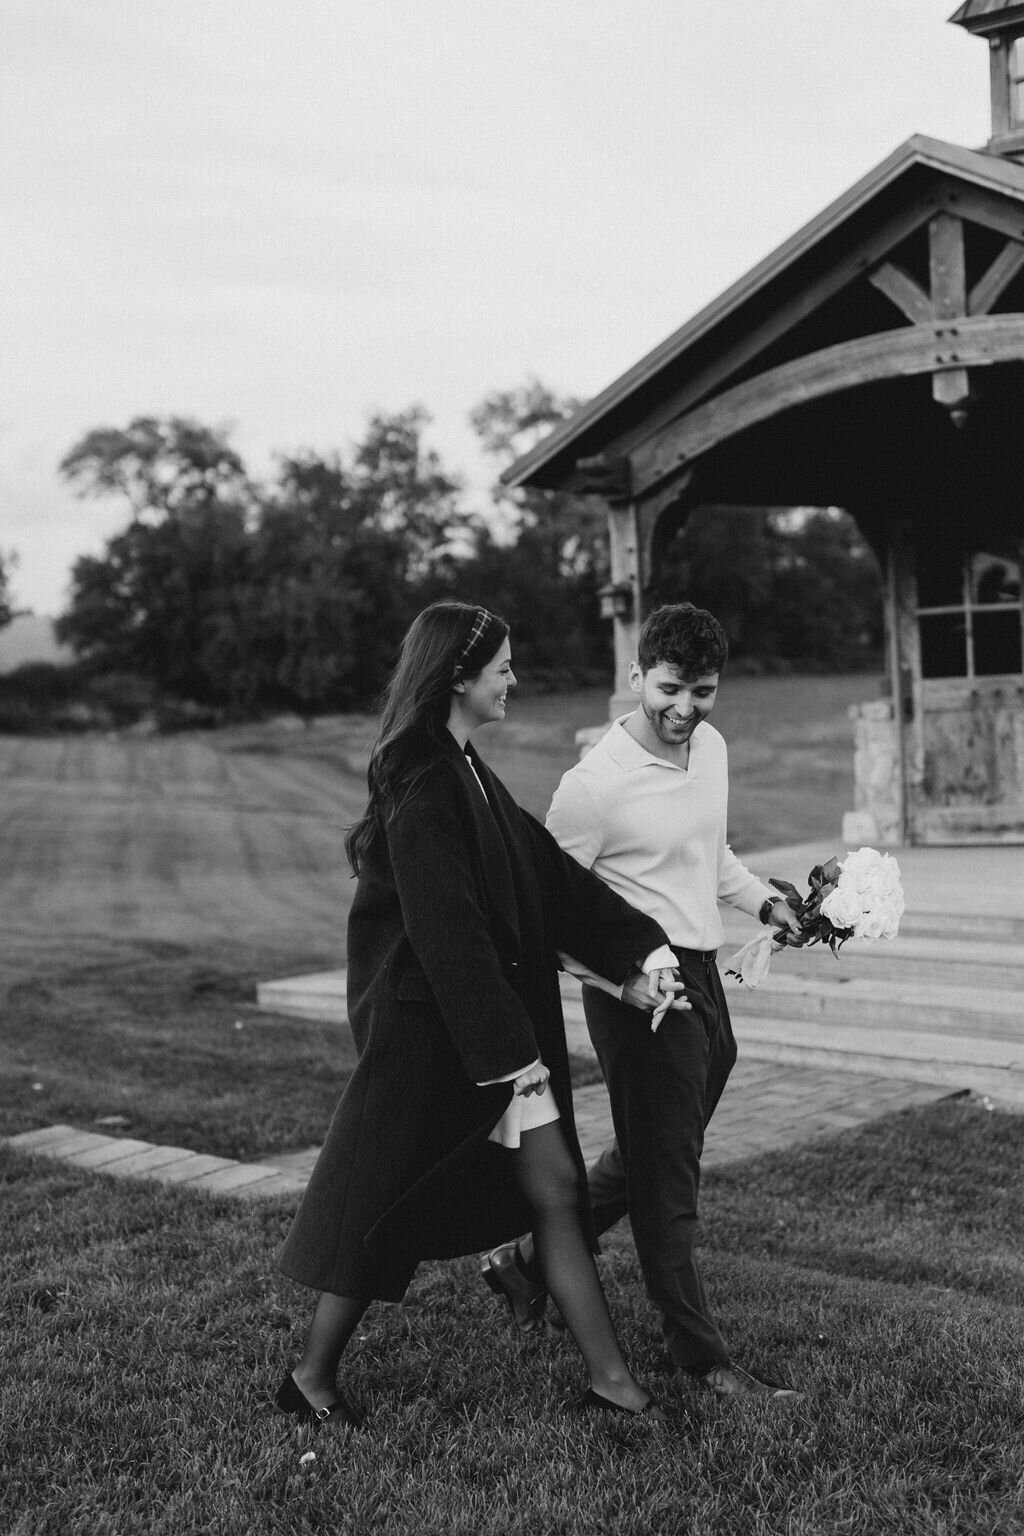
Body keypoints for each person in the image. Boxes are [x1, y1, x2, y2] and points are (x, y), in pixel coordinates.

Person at [276, 600, 684, 1428]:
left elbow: (551, 879)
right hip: (437, 1041)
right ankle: (311, 1378)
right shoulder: (422, 780)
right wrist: (511, 1055)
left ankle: (613, 1383)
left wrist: (641, 952)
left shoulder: (464, 766)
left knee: (556, 1191)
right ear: (458, 678)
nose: (514, 680)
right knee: (380, 1214)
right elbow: (448, 932)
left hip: (489, 1038)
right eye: (501, 667)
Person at [483, 603, 804, 1399]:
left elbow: (709, 852)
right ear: (636, 676)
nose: (685, 709)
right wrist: (622, 979)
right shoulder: (594, 788)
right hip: (641, 997)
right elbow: (551, 911)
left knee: (653, 1151)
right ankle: (703, 1359)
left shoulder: (712, 747)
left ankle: (524, 1266)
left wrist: (765, 904)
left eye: (703, 691)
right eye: (669, 688)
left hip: (704, 977)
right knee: (671, 1181)